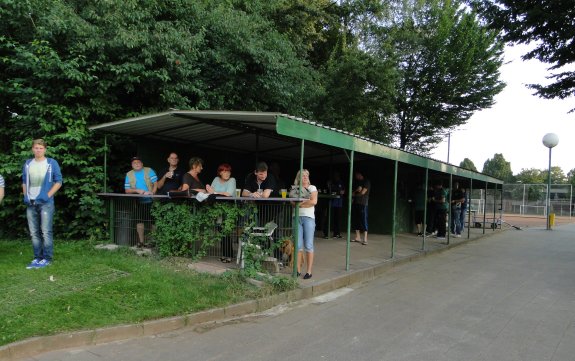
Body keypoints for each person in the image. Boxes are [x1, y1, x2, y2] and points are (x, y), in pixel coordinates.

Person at [22, 139, 63, 269]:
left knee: (45, 231)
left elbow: (59, 181)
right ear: (32, 149)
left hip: (46, 203)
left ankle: (47, 258)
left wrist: (47, 195)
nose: (38, 150)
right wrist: (26, 196)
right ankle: (37, 258)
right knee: (34, 232)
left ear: (45, 149)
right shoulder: (28, 163)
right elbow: (24, 181)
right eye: (36, 148)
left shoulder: (51, 163)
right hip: (31, 202)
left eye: (40, 148)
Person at [124, 156, 158, 247]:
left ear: (142, 164)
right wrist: (138, 191)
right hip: (138, 203)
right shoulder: (128, 174)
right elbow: (127, 191)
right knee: (139, 222)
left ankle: (153, 242)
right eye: (134, 163)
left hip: (152, 201)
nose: (137, 164)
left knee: (153, 222)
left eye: (138, 162)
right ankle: (141, 242)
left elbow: (155, 183)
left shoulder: (149, 170)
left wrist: (153, 193)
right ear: (132, 165)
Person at [292, 169, 318, 279]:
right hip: (296, 217)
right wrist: (304, 202)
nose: (305, 177)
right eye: (302, 176)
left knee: (308, 245)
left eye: (306, 175)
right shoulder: (295, 188)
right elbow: (292, 202)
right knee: (297, 245)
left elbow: (313, 201)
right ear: (299, 178)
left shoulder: (312, 188)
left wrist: (300, 204)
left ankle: (309, 271)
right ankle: (297, 270)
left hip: (308, 218)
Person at [210, 163, 237, 263]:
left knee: (227, 233)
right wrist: (214, 192)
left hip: (229, 210)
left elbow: (228, 193)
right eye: (224, 171)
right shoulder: (216, 179)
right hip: (218, 210)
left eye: (228, 171)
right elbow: (210, 191)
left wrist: (215, 193)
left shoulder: (232, 180)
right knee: (221, 233)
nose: (227, 173)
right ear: (220, 172)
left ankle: (229, 255)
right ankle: (223, 254)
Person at [323, 172, 344, 238]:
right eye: (335, 176)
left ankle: (336, 234)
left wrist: (339, 191)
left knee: (338, 219)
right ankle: (326, 234)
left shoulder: (341, 182)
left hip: (339, 203)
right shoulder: (330, 182)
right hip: (331, 203)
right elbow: (330, 189)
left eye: (337, 176)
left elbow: (343, 191)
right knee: (329, 218)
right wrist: (338, 190)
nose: (336, 177)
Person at [351, 170, 370, 245]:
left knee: (364, 219)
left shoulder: (366, 181)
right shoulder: (356, 182)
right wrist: (357, 190)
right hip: (355, 203)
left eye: (357, 174)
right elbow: (352, 193)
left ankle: (365, 239)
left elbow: (363, 192)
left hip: (363, 203)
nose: (356, 176)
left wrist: (357, 193)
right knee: (356, 220)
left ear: (360, 174)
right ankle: (357, 237)